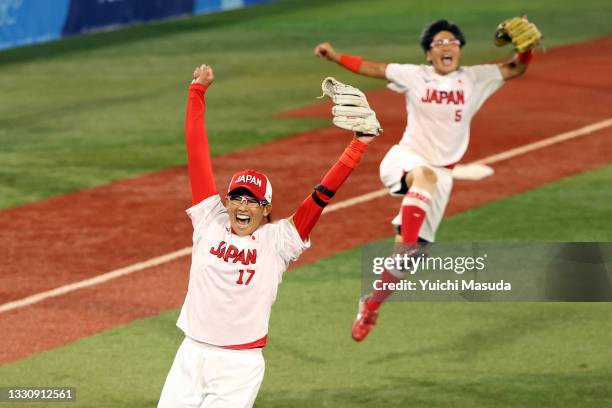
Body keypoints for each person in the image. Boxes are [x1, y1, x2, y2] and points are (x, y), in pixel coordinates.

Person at [157, 65, 380, 407]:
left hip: (239, 367)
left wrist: (357, 147)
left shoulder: (279, 241)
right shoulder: (209, 220)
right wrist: (196, 92)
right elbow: (196, 153)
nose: (243, 207)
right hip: (190, 355)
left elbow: (320, 196)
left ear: (266, 208)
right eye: (238, 198)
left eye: (253, 201)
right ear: (227, 201)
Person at [314, 17, 542, 341]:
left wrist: (528, 49)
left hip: (442, 176)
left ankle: (371, 304)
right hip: (406, 158)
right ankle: (407, 241)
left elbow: (516, 68)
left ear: (460, 49)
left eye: (452, 42)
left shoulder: (475, 79)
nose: (446, 46)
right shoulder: (415, 75)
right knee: (423, 177)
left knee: (406, 261)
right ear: (428, 54)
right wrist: (336, 57)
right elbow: (375, 68)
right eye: (438, 43)